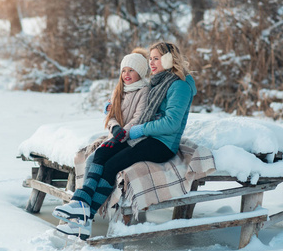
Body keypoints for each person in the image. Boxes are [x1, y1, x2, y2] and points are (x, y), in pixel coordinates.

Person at [53, 41, 197, 240]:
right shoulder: (159, 82)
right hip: (147, 137)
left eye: (156, 58)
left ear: (168, 59)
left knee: (112, 165)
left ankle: (85, 216)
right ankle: (81, 211)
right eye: (151, 58)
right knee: (101, 155)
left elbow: (171, 123)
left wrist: (139, 130)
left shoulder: (179, 85)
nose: (152, 63)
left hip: (162, 144)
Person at [53, 48, 150, 239]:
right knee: (93, 160)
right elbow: (111, 114)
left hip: (132, 138)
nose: (126, 75)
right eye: (124, 71)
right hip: (117, 135)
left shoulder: (144, 91)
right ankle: (84, 220)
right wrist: (114, 129)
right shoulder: (119, 91)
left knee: (100, 157)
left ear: (140, 72)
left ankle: (80, 204)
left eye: (131, 70)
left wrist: (120, 134)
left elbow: (138, 119)